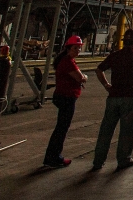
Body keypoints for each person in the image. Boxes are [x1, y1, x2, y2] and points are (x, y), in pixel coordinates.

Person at [92, 29, 133, 170]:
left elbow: (99, 70)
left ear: (124, 42)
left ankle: (98, 161)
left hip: (113, 97)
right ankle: (123, 159)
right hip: (130, 97)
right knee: (127, 130)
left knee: (106, 130)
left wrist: (106, 85)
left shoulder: (115, 55)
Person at [43, 35, 87, 168]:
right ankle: (54, 157)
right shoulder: (68, 62)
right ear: (68, 48)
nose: (78, 51)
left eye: (79, 48)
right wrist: (85, 77)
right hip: (66, 98)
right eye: (75, 48)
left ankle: (52, 157)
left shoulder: (65, 60)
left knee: (61, 128)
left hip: (62, 96)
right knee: (61, 129)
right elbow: (80, 78)